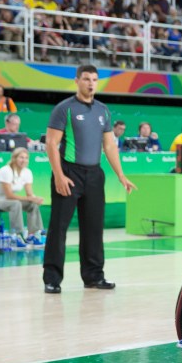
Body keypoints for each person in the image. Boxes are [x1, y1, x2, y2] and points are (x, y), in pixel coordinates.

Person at [42, 65, 137, 294]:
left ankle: (94, 276)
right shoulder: (64, 109)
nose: (91, 83)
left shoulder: (103, 110)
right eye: (86, 79)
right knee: (58, 228)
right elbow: (52, 144)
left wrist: (121, 175)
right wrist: (59, 175)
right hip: (69, 173)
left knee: (93, 228)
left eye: (95, 79)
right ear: (77, 81)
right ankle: (52, 278)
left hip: (94, 174)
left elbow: (109, 145)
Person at [0, 147, 44, 247]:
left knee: (32, 204)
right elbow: (10, 195)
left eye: (26, 158)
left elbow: (29, 194)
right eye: (21, 157)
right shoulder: (6, 170)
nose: (24, 160)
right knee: (15, 203)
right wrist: (31, 198)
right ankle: (17, 235)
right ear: (14, 158)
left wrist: (35, 198)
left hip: (4, 200)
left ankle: (34, 234)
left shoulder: (27, 172)